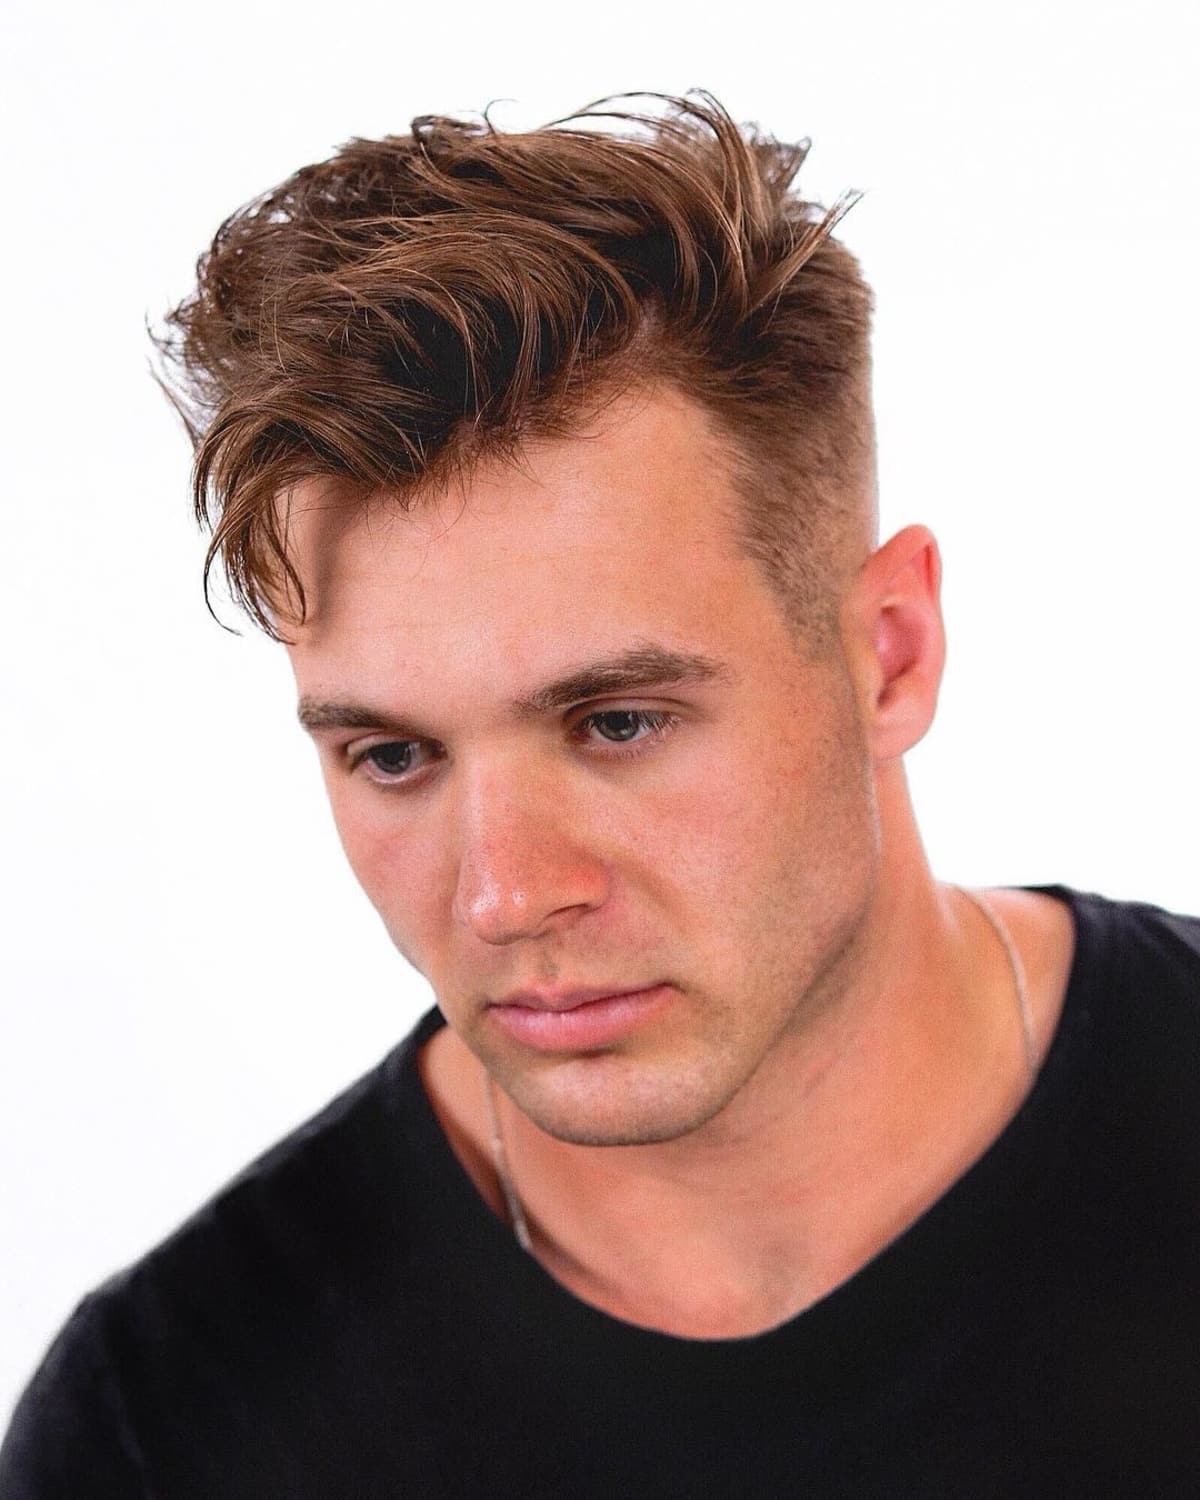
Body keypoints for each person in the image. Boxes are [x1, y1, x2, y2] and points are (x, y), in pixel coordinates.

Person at [2, 90, 1197, 1498]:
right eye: (394, 756)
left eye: (618, 722)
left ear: (891, 654)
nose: (505, 896)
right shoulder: (163, 1434)